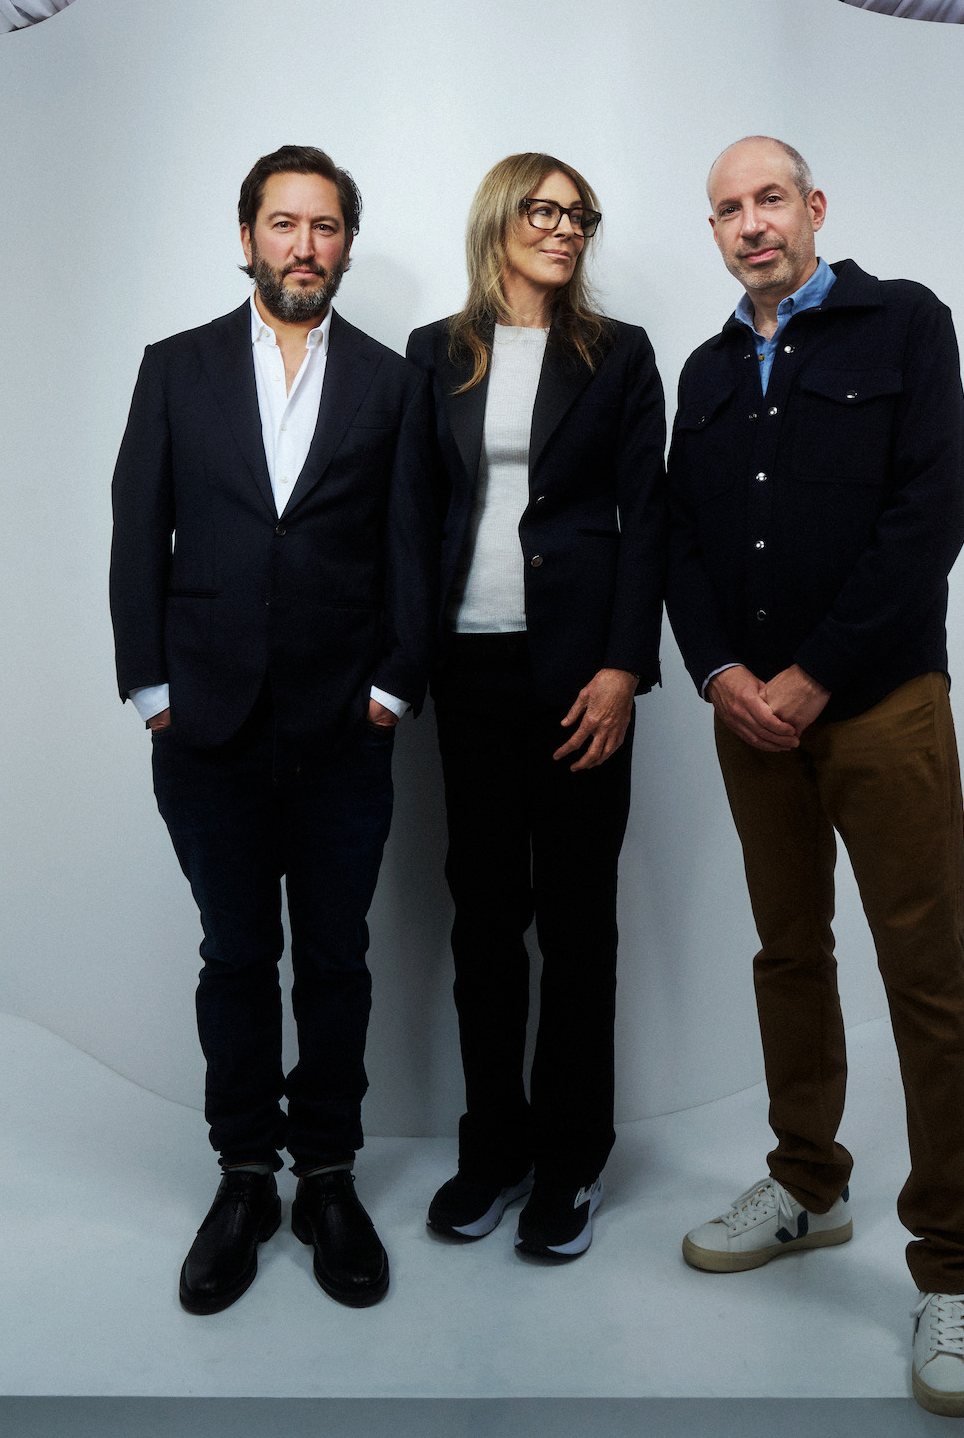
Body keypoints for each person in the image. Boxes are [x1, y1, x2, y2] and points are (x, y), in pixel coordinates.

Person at [666, 136, 964, 1417]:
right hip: (750, 723)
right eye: (726, 210)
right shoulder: (701, 373)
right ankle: (809, 1185)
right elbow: (681, 541)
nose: (751, 225)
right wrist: (717, 676)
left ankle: (954, 1266)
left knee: (926, 977)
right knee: (787, 955)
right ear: (714, 233)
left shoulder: (903, 324)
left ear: (813, 210)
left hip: (882, 708)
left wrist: (812, 675)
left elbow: (934, 515)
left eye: (769, 200)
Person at [110, 145, 437, 1313]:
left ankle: (329, 1177)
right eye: (285, 224)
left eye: (328, 227)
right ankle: (245, 1176)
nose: (306, 246)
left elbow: (413, 549)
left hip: (345, 731)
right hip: (207, 729)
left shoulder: (393, 385)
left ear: (347, 243)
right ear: (246, 235)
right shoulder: (175, 370)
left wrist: (393, 688)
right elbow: (137, 535)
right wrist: (152, 695)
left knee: (338, 961)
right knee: (237, 958)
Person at [406, 153, 667, 1260]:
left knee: (576, 921)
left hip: (578, 679)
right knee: (481, 918)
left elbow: (648, 517)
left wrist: (623, 667)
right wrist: (392, 667)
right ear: (501, 222)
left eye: (580, 216)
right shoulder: (435, 354)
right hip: (467, 671)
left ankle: (571, 1160)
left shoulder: (618, 355)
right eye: (545, 212)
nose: (565, 231)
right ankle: (493, 1150)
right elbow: (412, 516)